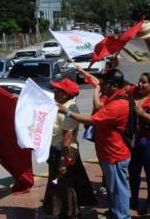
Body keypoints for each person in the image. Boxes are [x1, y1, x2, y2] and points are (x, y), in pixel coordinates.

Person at [57, 70, 131, 219]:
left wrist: (68, 113)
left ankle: (123, 216)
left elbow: (92, 119)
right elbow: (98, 107)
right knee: (112, 188)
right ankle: (114, 212)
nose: (101, 87)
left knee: (118, 190)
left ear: (113, 85)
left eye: (103, 85)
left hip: (114, 155)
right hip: (108, 153)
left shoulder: (118, 104)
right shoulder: (113, 98)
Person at [43, 78, 96, 219]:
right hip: (57, 151)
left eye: (58, 90)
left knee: (66, 186)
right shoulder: (60, 105)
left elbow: (67, 137)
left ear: (66, 94)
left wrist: (62, 162)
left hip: (65, 153)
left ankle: (71, 214)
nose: (54, 92)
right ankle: (66, 213)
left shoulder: (69, 109)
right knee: (61, 185)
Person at [129, 72, 150, 214]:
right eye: (139, 81)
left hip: (149, 142)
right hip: (133, 141)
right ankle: (135, 199)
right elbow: (121, 84)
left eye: (144, 82)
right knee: (133, 172)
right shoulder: (133, 92)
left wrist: (143, 114)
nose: (140, 84)